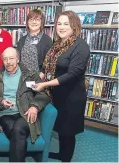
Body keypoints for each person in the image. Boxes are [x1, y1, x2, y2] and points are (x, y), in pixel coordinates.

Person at [32, 11, 90, 162]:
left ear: (74, 26)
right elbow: (49, 67)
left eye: (66, 24)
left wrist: (45, 84)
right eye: (59, 23)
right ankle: (62, 154)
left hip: (72, 96)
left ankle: (66, 159)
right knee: (60, 128)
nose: (61, 27)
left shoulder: (81, 46)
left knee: (67, 131)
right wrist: (42, 76)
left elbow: (72, 74)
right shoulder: (57, 44)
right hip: (56, 94)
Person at [0, 47, 50, 162]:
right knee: (16, 133)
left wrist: (34, 107)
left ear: (17, 59)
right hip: (5, 114)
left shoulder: (30, 75)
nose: (8, 62)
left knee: (18, 129)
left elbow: (43, 94)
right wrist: (1, 102)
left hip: (25, 113)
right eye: (5, 59)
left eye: (11, 58)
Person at [17, 9, 52, 74]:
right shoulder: (22, 40)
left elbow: (50, 62)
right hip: (22, 77)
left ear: (42, 22)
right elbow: (18, 59)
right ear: (27, 22)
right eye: (31, 19)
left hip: (39, 78)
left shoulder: (47, 40)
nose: (34, 22)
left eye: (37, 19)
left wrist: (43, 73)